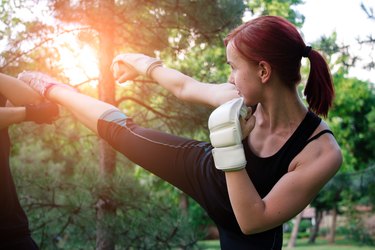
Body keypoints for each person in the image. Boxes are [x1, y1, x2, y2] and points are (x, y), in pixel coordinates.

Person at [19, 15, 342, 250]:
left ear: (263, 71)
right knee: (126, 133)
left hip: (249, 233)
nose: (229, 79)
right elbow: (185, 86)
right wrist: (138, 61)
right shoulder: (242, 101)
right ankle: (53, 89)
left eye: (232, 67)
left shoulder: (320, 152)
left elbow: (253, 220)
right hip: (208, 173)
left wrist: (229, 142)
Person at [0, 73, 59, 249]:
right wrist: (29, 113)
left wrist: (32, 110)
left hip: (10, 231)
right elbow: (35, 108)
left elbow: (35, 101)